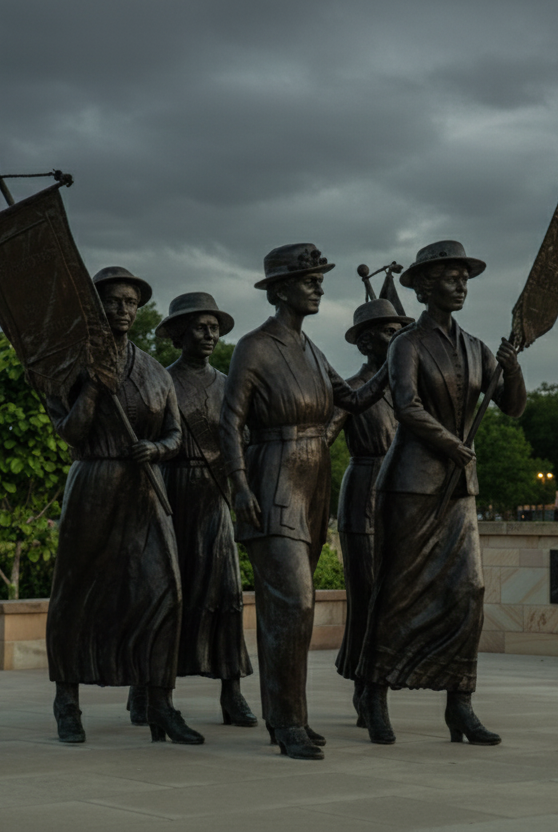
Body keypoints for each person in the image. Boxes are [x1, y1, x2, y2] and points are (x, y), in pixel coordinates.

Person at [220, 243, 388, 760]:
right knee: (294, 602)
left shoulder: (312, 350)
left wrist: (400, 356)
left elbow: (355, 399)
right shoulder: (254, 346)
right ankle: (287, 720)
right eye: (308, 279)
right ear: (279, 290)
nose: (318, 286)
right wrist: (240, 486)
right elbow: (230, 422)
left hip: (313, 482)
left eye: (319, 279)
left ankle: (289, 716)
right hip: (271, 476)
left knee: (289, 609)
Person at [358, 240, 527, 746]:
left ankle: (460, 703)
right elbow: (406, 406)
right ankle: (374, 691)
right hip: (411, 483)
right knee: (398, 591)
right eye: (451, 277)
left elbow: (513, 407)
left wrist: (511, 365)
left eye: (465, 278)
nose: (461, 285)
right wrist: (453, 445)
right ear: (426, 286)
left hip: (459, 490)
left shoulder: (476, 347)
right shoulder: (405, 343)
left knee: (467, 591)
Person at [44, 266, 201, 746]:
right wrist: (93, 386)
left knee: (164, 590)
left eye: (131, 302)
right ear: (95, 306)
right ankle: (67, 702)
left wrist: (155, 450)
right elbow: (69, 433)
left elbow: (176, 434)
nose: (123, 310)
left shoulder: (154, 370)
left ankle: (160, 703)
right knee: (77, 592)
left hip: (145, 486)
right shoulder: (70, 364)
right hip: (94, 481)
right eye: (113, 301)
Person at [153, 292, 257, 727]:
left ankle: (231, 691)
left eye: (214, 327)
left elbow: (241, 433)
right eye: (200, 326)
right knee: (166, 594)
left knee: (225, 593)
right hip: (173, 490)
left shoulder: (227, 381)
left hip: (215, 496)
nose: (210, 334)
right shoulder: (162, 379)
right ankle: (151, 691)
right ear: (179, 334)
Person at [325, 299, 413, 727]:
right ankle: (365, 687)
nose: (395, 334)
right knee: (367, 599)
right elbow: (320, 438)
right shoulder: (352, 390)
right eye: (385, 330)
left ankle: (380, 682)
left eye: (398, 327)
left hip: (401, 500)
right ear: (363, 343)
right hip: (363, 497)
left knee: (395, 599)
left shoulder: (406, 392)